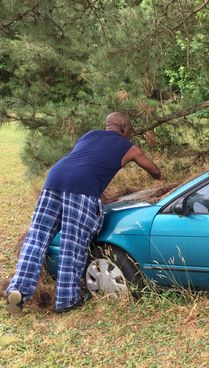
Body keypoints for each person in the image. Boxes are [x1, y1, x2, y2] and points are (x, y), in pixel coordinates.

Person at [5, 112, 162, 314]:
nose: (129, 135)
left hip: (54, 179)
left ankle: (17, 291)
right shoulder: (127, 146)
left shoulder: (88, 135)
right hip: (81, 189)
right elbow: (153, 169)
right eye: (129, 131)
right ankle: (66, 301)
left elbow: (83, 163)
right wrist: (162, 179)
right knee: (73, 244)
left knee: (36, 239)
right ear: (123, 128)